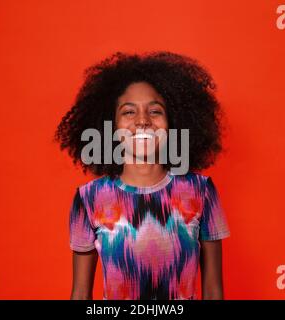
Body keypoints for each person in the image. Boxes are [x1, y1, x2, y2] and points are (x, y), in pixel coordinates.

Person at [54, 51, 230, 300]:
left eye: (155, 111)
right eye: (128, 112)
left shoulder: (200, 191)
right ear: (111, 126)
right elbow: (80, 295)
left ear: (174, 123)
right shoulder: (89, 198)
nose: (143, 121)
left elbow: (213, 292)